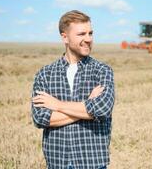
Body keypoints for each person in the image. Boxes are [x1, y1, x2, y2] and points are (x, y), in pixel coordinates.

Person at [31, 10, 115, 169]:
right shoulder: (45, 74)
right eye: (81, 34)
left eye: (91, 33)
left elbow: (102, 109)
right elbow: (40, 118)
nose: (88, 39)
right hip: (58, 161)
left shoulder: (102, 71)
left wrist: (57, 105)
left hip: (92, 162)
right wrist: (88, 106)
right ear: (65, 37)